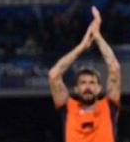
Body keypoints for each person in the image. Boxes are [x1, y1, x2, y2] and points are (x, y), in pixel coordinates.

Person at [48, 7, 121, 142]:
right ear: (76, 89)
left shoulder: (108, 106)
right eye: (83, 83)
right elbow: (54, 75)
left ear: (99, 88)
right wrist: (82, 46)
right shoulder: (68, 107)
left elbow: (114, 67)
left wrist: (97, 36)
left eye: (92, 82)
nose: (88, 86)